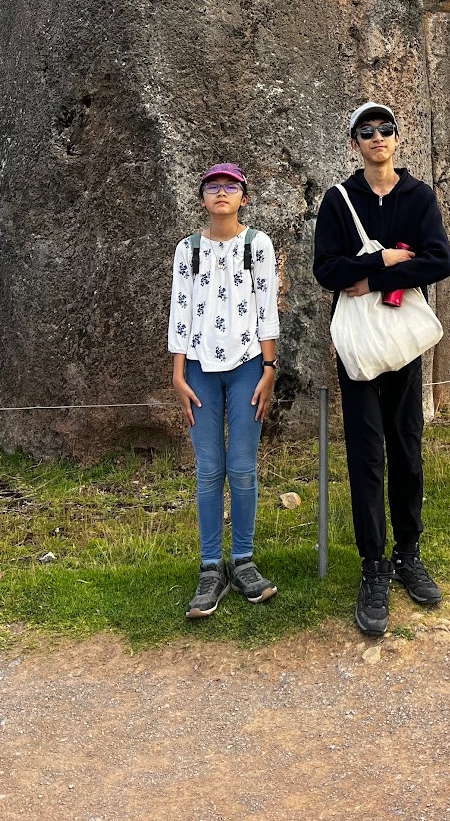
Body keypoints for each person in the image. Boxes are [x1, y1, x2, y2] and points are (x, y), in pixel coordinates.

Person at [313, 101, 450, 636]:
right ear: (354, 144)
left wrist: (369, 276)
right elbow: (327, 270)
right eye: (366, 132)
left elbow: (439, 260)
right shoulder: (338, 200)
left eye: (385, 129)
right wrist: (385, 259)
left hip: (400, 340)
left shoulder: (418, 197)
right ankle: (373, 566)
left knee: (407, 446)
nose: (377, 138)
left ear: (398, 139)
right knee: (366, 454)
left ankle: (408, 554)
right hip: (357, 345)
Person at [169, 162, 279, 616]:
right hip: (197, 368)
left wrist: (270, 367)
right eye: (212, 186)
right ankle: (211, 567)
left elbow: (267, 307)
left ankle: (244, 561)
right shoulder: (187, 250)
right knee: (209, 469)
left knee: (243, 467)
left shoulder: (258, 245)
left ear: (243, 197)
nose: (221, 193)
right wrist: (177, 374)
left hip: (248, 365)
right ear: (202, 198)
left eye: (230, 186)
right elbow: (179, 311)